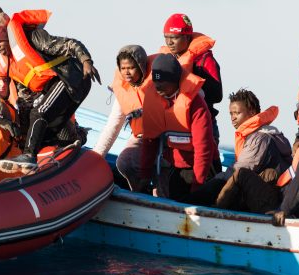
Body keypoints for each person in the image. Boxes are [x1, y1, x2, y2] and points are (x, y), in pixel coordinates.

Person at [0, 6, 100, 171]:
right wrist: (23, 133)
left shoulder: (33, 37)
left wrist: (86, 60)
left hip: (72, 77)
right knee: (44, 130)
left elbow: (70, 44)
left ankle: (29, 156)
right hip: (56, 87)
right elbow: (25, 98)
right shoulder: (10, 62)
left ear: (7, 35)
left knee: (39, 112)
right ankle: (75, 140)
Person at [193, 89, 292, 209]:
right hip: (271, 193)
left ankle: (193, 204)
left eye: (237, 113)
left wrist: (201, 191)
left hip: (274, 201)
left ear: (252, 112)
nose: (233, 118)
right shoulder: (265, 133)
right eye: (231, 114)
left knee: (229, 179)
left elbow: (237, 171)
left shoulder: (260, 139)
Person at [136, 54, 216, 201]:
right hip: (174, 165)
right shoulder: (153, 100)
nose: (158, 86)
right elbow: (150, 141)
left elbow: (203, 149)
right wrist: (144, 175)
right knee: (171, 190)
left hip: (201, 167)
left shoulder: (196, 106)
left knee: (194, 198)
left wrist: (197, 186)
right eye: (156, 81)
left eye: (163, 81)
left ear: (175, 80)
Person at [94, 44, 157, 191]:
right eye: (123, 68)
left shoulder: (159, 83)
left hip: (164, 138)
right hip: (142, 136)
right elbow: (113, 126)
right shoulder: (123, 90)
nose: (126, 72)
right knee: (124, 162)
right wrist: (96, 158)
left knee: (161, 171)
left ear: (141, 67)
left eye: (131, 68)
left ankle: (158, 194)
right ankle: (139, 191)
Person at [161, 13, 222, 143]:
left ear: (187, 37)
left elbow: (217, 95)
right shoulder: (167, 60)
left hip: (204, 125)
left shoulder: (204, 60)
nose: (169, 42)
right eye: (166, 37)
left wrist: (192, 86)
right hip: (175, 126)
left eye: (174, 38)